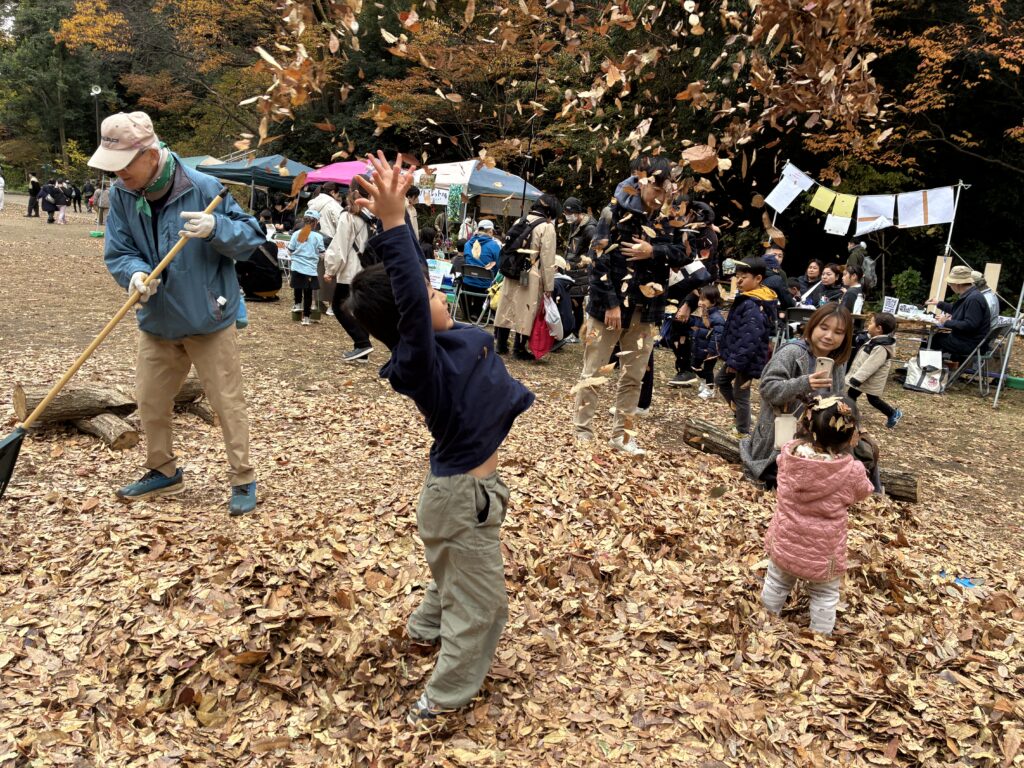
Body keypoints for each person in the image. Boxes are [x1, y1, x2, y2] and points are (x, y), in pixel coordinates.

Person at [344, 152, 535, 726]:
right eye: (430, 297)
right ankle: (441, 699)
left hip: (468, 495)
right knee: (483, 607)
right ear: (408, 323)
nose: (441, 296)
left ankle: (424, 629)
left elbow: (407, 284)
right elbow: (407, 292)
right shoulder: (419, 363)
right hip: (460, 499)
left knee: (452, 571)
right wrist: (392, 222)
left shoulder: (447, 339)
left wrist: (394, 216)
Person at [89, 110, 264, 515]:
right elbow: (120, 250)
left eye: (124, 165)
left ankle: (242, 476)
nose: (118, 175)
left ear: (151, 155)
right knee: (149, 399)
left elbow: (252, 238)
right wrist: (134, 274)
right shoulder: (123, 195)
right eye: (113, 167)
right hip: (157, 319)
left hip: (208, 318)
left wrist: (217, 227)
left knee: (226, 402)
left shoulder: (203, 186)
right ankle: (162, 470)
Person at [572, 156, 685, 454]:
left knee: (634, 376)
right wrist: (611, 303)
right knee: (594, 371)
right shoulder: (614, 212)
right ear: (641, 181)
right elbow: (598, 261)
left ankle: (622, 436)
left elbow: (683, 254)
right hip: (608, 307)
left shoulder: (670, 217)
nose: (660, 197)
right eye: (656, 190)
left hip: (647, 309)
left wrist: (653, 250)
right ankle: (582, 431)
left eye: (665, 191)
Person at [761, 394, 874, 635]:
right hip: (823, 551)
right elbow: (864, 492)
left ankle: (765, 621)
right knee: (824, 594)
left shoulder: (789, 457)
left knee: (776, 581)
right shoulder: (851, 471)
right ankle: (820, 637)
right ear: (851, 436)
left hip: (786, 541)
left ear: (807, 425)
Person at [741, 303, 853, 488]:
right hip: (779, 437)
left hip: (817, 440)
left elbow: (839, 399)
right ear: (813, 325)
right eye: (824, 328)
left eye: (838, 332)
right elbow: (768, 389)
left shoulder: (837, 363)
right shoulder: (792, 352)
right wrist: (804, 383)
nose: (829, 336)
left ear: (845, 337)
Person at [716, 258, 778, 436]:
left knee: (741, 394)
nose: (739, 281)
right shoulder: (749, 298)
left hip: (747, 358)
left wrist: (736, 362)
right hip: (739, 356)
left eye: (744, 277)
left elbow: (750, 337)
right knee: (722, 381)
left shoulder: (754, 304)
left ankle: (743, 431)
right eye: (737, 277)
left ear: (758, 279)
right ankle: (740, 417)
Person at [493, 195, 559, 360]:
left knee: (507, 305)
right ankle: (519, 348)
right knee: (526, 309)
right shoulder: (547, 227)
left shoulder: (520, 220)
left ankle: (501, 344)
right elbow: (548, 260)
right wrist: (549, 285)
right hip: (531, 271)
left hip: (512, 269)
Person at [324, 185, 376, 362]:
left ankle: (362, 343)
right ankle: (362, 351)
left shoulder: (348, 217)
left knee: (339, 307)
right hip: (368, 269)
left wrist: (330, 269)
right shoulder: (371, 217)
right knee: (360, 308)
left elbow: (340, 246)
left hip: (351, 270)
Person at [846, 311, 902, 428]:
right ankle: (850, 415)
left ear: (879, 329)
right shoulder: (876, 341)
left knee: (872, 399)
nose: (868, 325)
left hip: (869, 379)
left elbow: (870, 366)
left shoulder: (881, 347)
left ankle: (892, 413)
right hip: (866, 379)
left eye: (871, 323)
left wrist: (857, 379)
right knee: (852, 394)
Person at [927, 265, 992, 360]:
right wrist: (939, 303)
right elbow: (958, 309)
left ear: (957, 284)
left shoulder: (973, 299)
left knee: (934, 339)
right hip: (969, 340)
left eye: (950, 284)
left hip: (971, 344)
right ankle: (934, 365)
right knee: (936, 337)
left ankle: (926, 366)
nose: (950, 286)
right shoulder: (971, 295)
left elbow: (970, 325)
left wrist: (946, 322)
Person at [306, 182, 345, 312]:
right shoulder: (333, 205)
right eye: (338, 194)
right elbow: (341, 224)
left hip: (312, 239)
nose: (338, 196)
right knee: (331, 272)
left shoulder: (312, 203)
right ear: (333, 192)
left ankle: (315, 303)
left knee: (314, 272)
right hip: (329, 241)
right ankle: (331, 305)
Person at [563, 197, 597, 340]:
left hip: (582, 272)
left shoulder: (589, 228)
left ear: (577, 212)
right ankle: (575, 332)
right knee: (572, 302)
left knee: (576, 303)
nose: (567, 216)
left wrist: (586, 262)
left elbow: (595, 249)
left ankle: (577, 333)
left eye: (569, 213)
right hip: (572, 270)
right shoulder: (574, 224)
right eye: (565, 213)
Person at [288, 210, 326, 325]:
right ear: (316, 222)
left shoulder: (296, 234)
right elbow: (322, 253)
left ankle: (297, 304)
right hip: (310, 268)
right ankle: (306, 317)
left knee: (297, 286)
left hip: (297, 265)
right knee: (308, 293)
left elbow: (290, 250)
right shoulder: (318, 237)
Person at [689, 284, 725, 399]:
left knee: (708, 370)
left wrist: (711, 351)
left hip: (710, 350)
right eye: (699, 299)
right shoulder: (703, 313)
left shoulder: (717, 318)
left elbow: (717, 336)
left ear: (713, 301)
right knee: (694, 365)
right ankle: (705, 382)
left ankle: (710, 389)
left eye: (703, 300)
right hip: (699, 346)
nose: (700, 302)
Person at [461, 219, 500, 320]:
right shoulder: (494, 245)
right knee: (494, 282)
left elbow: (466, 260)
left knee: (463, 282)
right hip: (485, 285)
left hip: (468, 282)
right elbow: (498, 265)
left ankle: (468, 312)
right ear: (490, 231)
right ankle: (480, 312)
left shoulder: (467, 244)